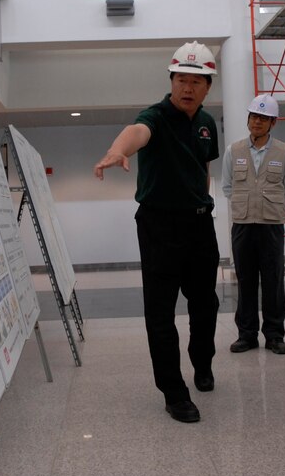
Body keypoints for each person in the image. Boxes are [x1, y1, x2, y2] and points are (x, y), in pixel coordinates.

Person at [94, 41, 220, 424]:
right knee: (161, 313)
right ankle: (173, 392)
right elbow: (136, 132)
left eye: (197, 81)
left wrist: (202, 197)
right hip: (159, 226)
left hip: (200, 223)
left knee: (206, 306)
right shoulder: (156, 116)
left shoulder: (207, 123)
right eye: (182, 79)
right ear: (171, 80)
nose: (188, 87)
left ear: (208, 86)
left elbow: (204, 168)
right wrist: (119, 151)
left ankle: (202, 362)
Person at [221, 94, 285, 356]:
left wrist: (270, 210)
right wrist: (247, 206)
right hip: (243, 225)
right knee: (245, 280)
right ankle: (247, 334)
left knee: (273, 280)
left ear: (272, 123)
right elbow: (227, 187)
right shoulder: (234, 150)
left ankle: (275, 335)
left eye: (263, 118)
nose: (257, 122)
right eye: (254, 116)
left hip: (271, 227)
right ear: (248, 119)